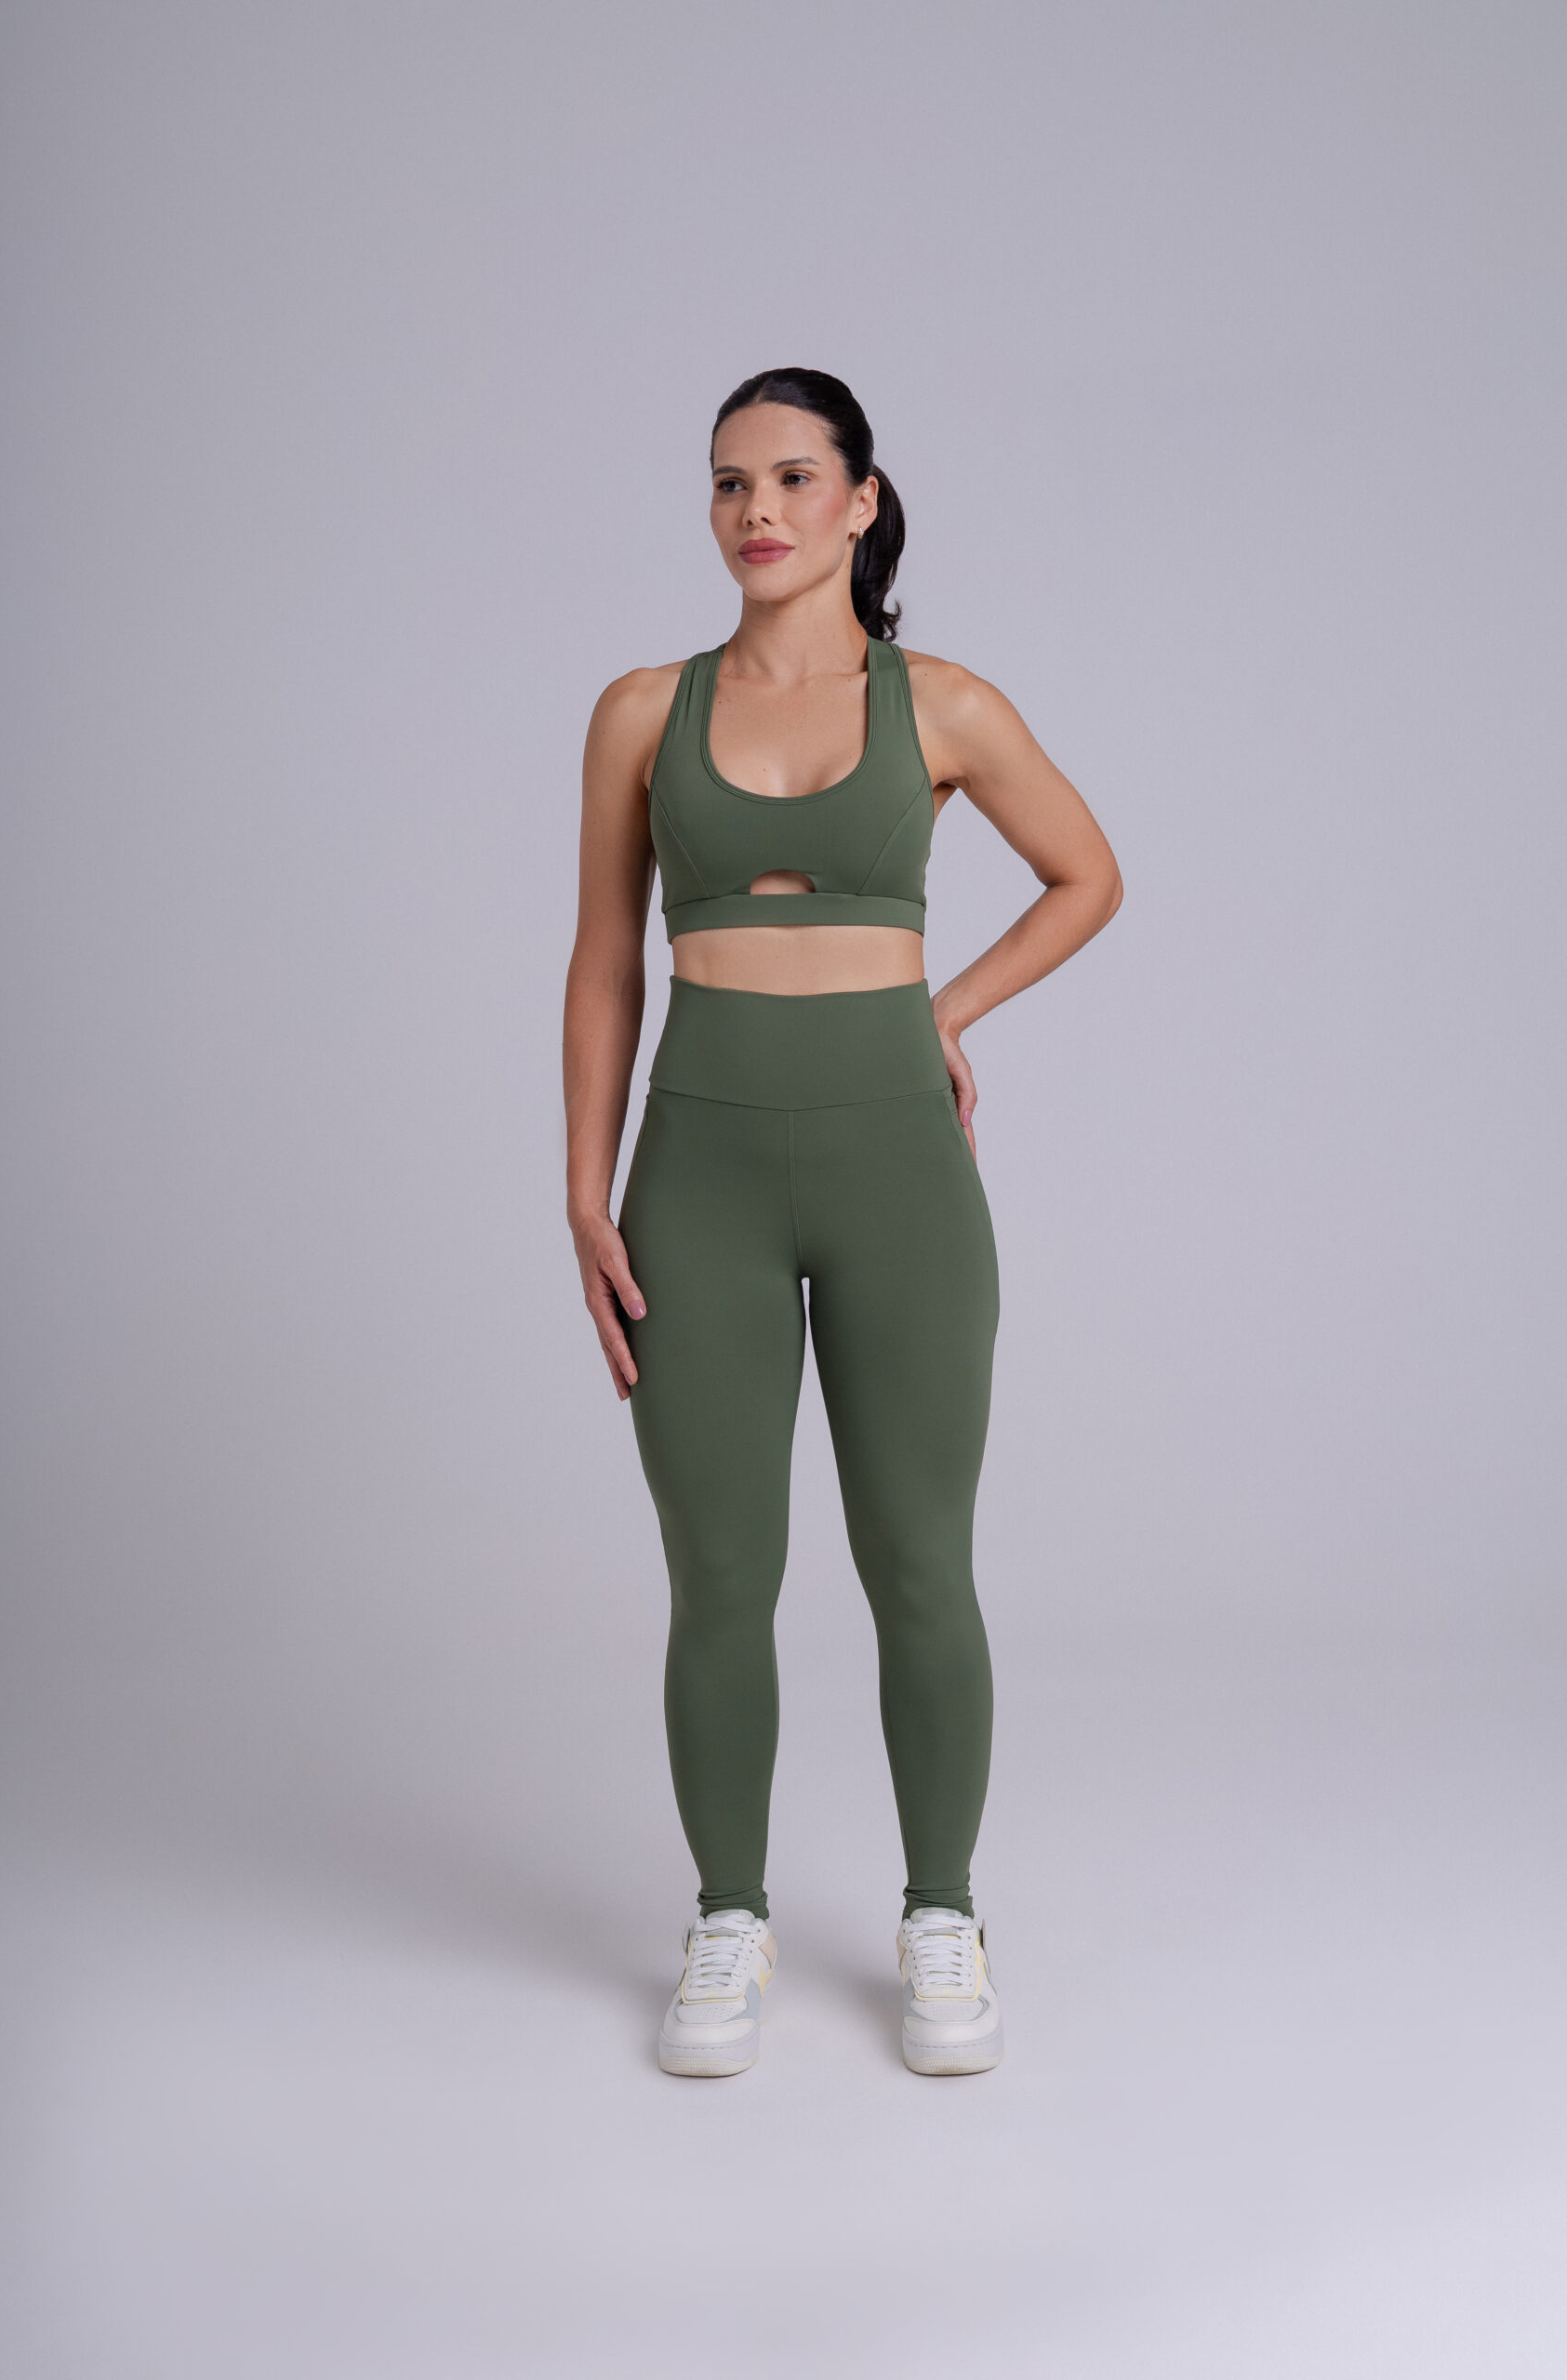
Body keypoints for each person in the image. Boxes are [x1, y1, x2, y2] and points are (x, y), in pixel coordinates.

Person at [563, 366, 1122, 2078]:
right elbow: (603, 960)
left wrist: (944, 1011)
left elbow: (1089, 874)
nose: (760, 511)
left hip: (898, 1178)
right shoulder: (640, 711)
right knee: (720, 1574)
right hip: (699, 1176)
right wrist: (582, 1186)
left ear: (862, 501)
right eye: (731, 482)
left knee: (920, 1562)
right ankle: (727, 1923)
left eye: (796, 478)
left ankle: (942, 1916)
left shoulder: (941, 704)